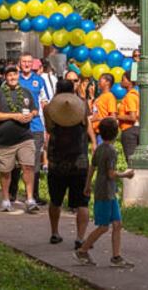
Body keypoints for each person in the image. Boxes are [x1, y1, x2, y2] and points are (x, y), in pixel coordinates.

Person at [73, 118, 134, 267]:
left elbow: (92, 167)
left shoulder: (99, 148)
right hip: (106, 192)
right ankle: (82, 250)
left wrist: (87, 185)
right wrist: (126, 174)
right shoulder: (111, 151)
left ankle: (116, 257)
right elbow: (111, 174)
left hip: (107, 192)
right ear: (116, 133)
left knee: (117, 224)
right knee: (104, 226)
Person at [45, 79, 95, 249]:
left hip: (57, 162)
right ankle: (80, 238)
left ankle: (54, 232)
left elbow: (49, 129)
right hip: (79, 162)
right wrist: (94, 141)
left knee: (55, 200)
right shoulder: (81, 106)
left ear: (57, 90)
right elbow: (86, 124)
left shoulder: (50, 108)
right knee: (82, 202)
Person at [0, 65, 40, 213]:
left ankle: (30, 199)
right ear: (6, 77)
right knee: (6, 171)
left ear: (18, 76)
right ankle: (6, 199)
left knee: (28, 166)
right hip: (4, 141)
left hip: (25, 137)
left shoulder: (26, 93)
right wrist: (13, 116)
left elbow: (34, 109)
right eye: (9, 75)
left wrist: (31, 115)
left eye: (14, 74)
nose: (12, 77)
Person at [11, 53, 49, 205]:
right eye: (23, 62)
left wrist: (47, 127)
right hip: (16, 126)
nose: (26, 64)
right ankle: (12, 193)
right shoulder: (13, 79)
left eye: (29, 62)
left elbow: (45, 103)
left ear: (32, 64)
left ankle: (33, 195)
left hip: (36, 126)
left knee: (34, 162)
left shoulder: (39, 80)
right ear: (19, 63)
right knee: (15, 160)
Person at [116, 73, 139, 165]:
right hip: (135, 129)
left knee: (131, 162)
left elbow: (132, 117)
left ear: (130, 82)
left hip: (129, 130)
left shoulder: (130, 96)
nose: (121, 81)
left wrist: (117, 116)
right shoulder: (135, 95)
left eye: (123, 79)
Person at [91, 73, 117, 145]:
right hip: (96, 132)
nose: (98, 82)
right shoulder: (100, 97)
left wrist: (98, 119)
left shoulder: (110, 96)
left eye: (100, 80)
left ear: (107, 82)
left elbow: (113, 117)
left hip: (104, 134)